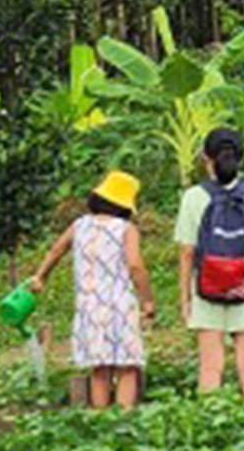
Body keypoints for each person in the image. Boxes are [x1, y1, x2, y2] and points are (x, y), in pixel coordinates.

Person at [29, 171, 156, 408]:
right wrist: (147, 301)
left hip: (89, 307)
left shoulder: (80, 225)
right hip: (119, 306)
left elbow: (56, 250)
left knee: (99, 368)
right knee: (127, 366)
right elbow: (136, 266)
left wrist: (40, 276)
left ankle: (100, 420)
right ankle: (124, 420)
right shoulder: (126, 229)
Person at [176, 128, 244, 399]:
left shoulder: (193, 198)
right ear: (240, 158)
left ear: (205, 158)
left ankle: (206, 433)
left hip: (206, 292)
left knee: (210, 369)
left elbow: (187, 253)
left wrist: (185, 300)